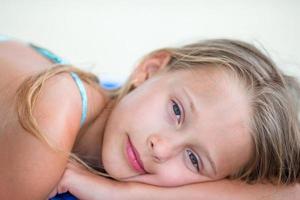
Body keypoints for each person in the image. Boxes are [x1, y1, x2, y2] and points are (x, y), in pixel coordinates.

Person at [0, 37, 299, 200]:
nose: (162, 148)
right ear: (150, 71)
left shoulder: (122, 106)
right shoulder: (55, 111)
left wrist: (122, 194)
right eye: (177, 112)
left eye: (194, 159)